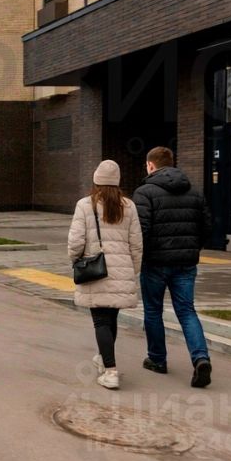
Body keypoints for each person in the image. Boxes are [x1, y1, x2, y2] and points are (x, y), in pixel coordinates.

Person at [133, 146, 214, 389]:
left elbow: (141, 231)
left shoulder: (144, 192)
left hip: (155, 263)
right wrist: (192, 249)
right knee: (187, 311)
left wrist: (141, 256)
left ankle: (157, 359)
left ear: (150, 165)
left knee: (153, 310)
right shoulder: (194, 191)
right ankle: (201, 358)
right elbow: (206, 227)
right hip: (186, 263)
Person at [67, 160, 143, 390]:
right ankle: (103, 358)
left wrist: (75, 260)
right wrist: (132, 270)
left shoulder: (85, 205)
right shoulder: (129, 206)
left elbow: (76, 242)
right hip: (122, 270)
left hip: (96, 271)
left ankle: (110, 371)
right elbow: (137, 244)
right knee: (110, 319)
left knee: (100, 321)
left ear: (96, 180)